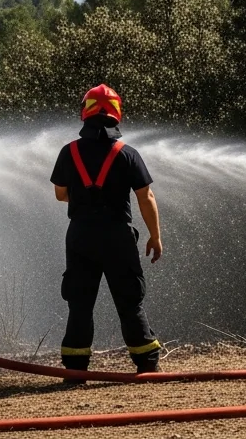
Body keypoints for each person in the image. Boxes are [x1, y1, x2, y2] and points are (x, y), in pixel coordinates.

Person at [50, 83, 163, 375]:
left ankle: (75, 370)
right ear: (117, 114)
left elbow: (60, 194)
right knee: (129, 302)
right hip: (118, 237)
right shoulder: (128, 153)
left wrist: (83, 194)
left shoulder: (69, 151)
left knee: (80, 303)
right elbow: (145, 197)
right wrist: (155, 236)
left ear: (84, 112)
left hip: (80, 237)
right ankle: (146, 365)